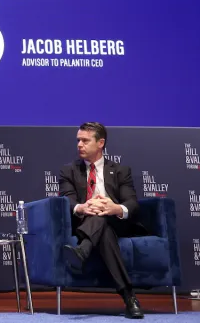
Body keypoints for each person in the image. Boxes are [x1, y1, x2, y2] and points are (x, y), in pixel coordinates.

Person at [59, 122, 147, 319]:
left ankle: (84, 249)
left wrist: (114, 208)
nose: (79, 145)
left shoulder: (121, 170)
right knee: (101, 224)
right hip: (85, 221)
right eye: (78, 141)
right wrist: (82, 207)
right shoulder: (69, 171)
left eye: (85, 140)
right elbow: (68, 199)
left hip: (117, 222)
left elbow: (131, 202)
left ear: (100, 143)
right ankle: (129, 297)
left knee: (105, 218)